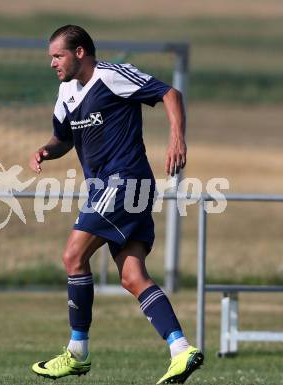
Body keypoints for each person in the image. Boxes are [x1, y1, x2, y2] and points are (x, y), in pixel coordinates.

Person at [29, 25, 204, 384]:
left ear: (80, 53)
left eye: (58, 56)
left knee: (73, 256)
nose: (52, 64)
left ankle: (77, 353)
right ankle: (181, 349)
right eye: (51, 57)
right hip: (106, 189)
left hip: (124, 181)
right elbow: (63, 138)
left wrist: (176, 140)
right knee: (132, 276)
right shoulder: (66, 92)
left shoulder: (111, 76)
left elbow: (170, 93)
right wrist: (47, 150)